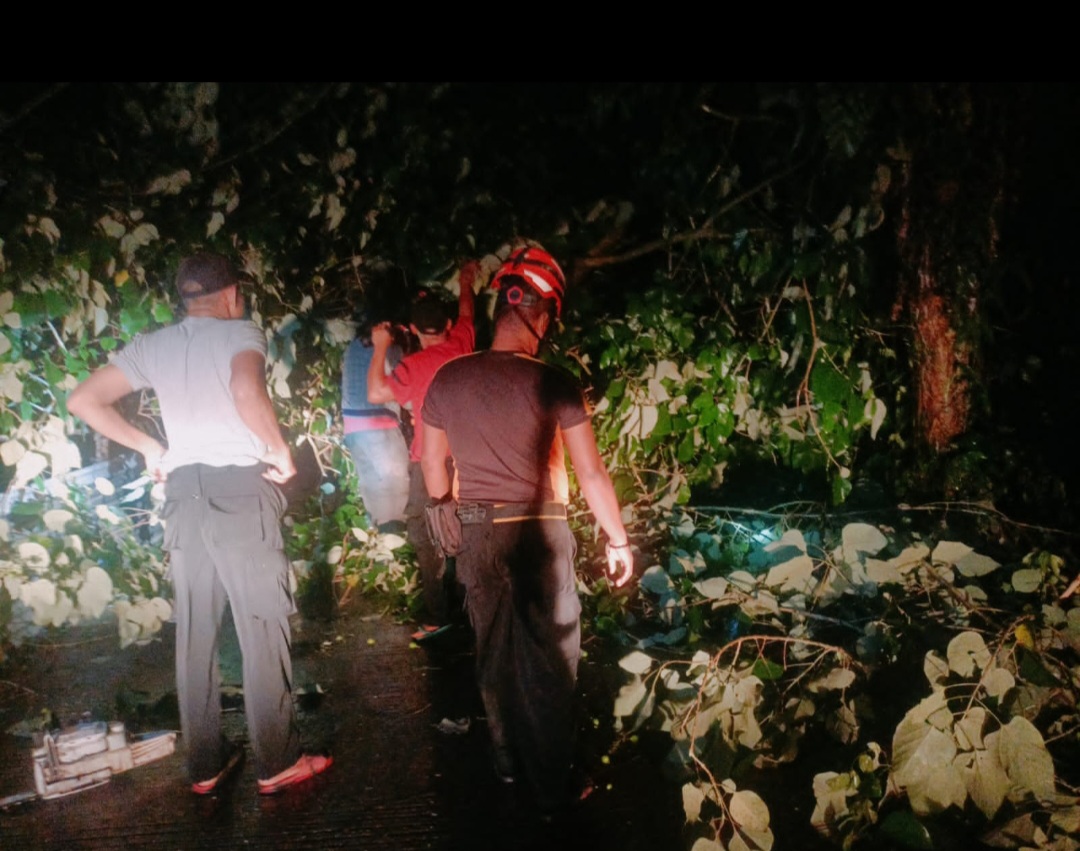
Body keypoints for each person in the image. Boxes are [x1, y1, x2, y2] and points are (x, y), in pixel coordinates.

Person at [67, 252, 332, 796]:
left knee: (195, 633)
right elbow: (245, 390)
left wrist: (149, 447)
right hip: (239, 489)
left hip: (183, 494)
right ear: (232, 294)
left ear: (184, 298)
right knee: (261, 626)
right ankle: (278, 760)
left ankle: (205, 764)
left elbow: (83, 399)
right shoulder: (241, 332)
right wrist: (278, 448)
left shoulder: (154, 345)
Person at [420, 246, 634, 819]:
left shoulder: (447, 378)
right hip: (539, 532)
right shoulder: (556, 382)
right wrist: (618, 540)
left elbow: (433, 464)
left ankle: (508, 761)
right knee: (551, 662)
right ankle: (552, 789)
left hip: (477, 531)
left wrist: (443, 506)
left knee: (493, 651)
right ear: (540, 315)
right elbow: (591, 473)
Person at [367, 261, 478, 631]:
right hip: (467, 460)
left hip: (429, 462)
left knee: (424, 534)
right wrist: (466, 281)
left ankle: (440, 616)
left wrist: (381, 346)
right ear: (447, 325)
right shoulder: (463, 343)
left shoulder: (414, 367)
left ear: (414, 330)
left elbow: (375, 392)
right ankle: (472, 610)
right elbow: (467, 313)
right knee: (468, 527)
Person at [341, 318, 410, 530]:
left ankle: (382, 529)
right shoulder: (389, 347)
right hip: (378, 423)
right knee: (396, 484)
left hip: (353, 427)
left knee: (372, 484)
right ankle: (394, 531)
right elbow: (403, 388)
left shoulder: (354, 346)